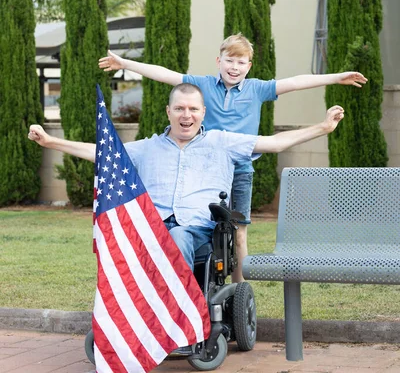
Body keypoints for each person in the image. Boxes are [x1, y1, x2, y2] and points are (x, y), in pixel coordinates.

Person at [98, 35, 366, 281]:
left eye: (241, 62)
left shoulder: (257, 89)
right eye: (229, 60)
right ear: (219, 61)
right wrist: (124, 62)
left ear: (249, 66)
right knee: (195, 226)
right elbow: (164, 74)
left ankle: (239, 290)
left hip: (240, 170)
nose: (234, 67)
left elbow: (295, 82)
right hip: (205, 172)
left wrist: (336, 77)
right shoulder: (202, 85)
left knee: (238, 234)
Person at [29, 83, 344, 271]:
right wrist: (51, 141)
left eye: (193, 109)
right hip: (151, 227)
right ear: (168, 111)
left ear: (203, 112)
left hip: (198, 229)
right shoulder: (147, 147)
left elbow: (274, 142)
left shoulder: (223, 141)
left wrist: (323, 127)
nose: (186, 115)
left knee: (177, 236)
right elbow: (103, 152)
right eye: (179, 108)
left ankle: (175, 313)